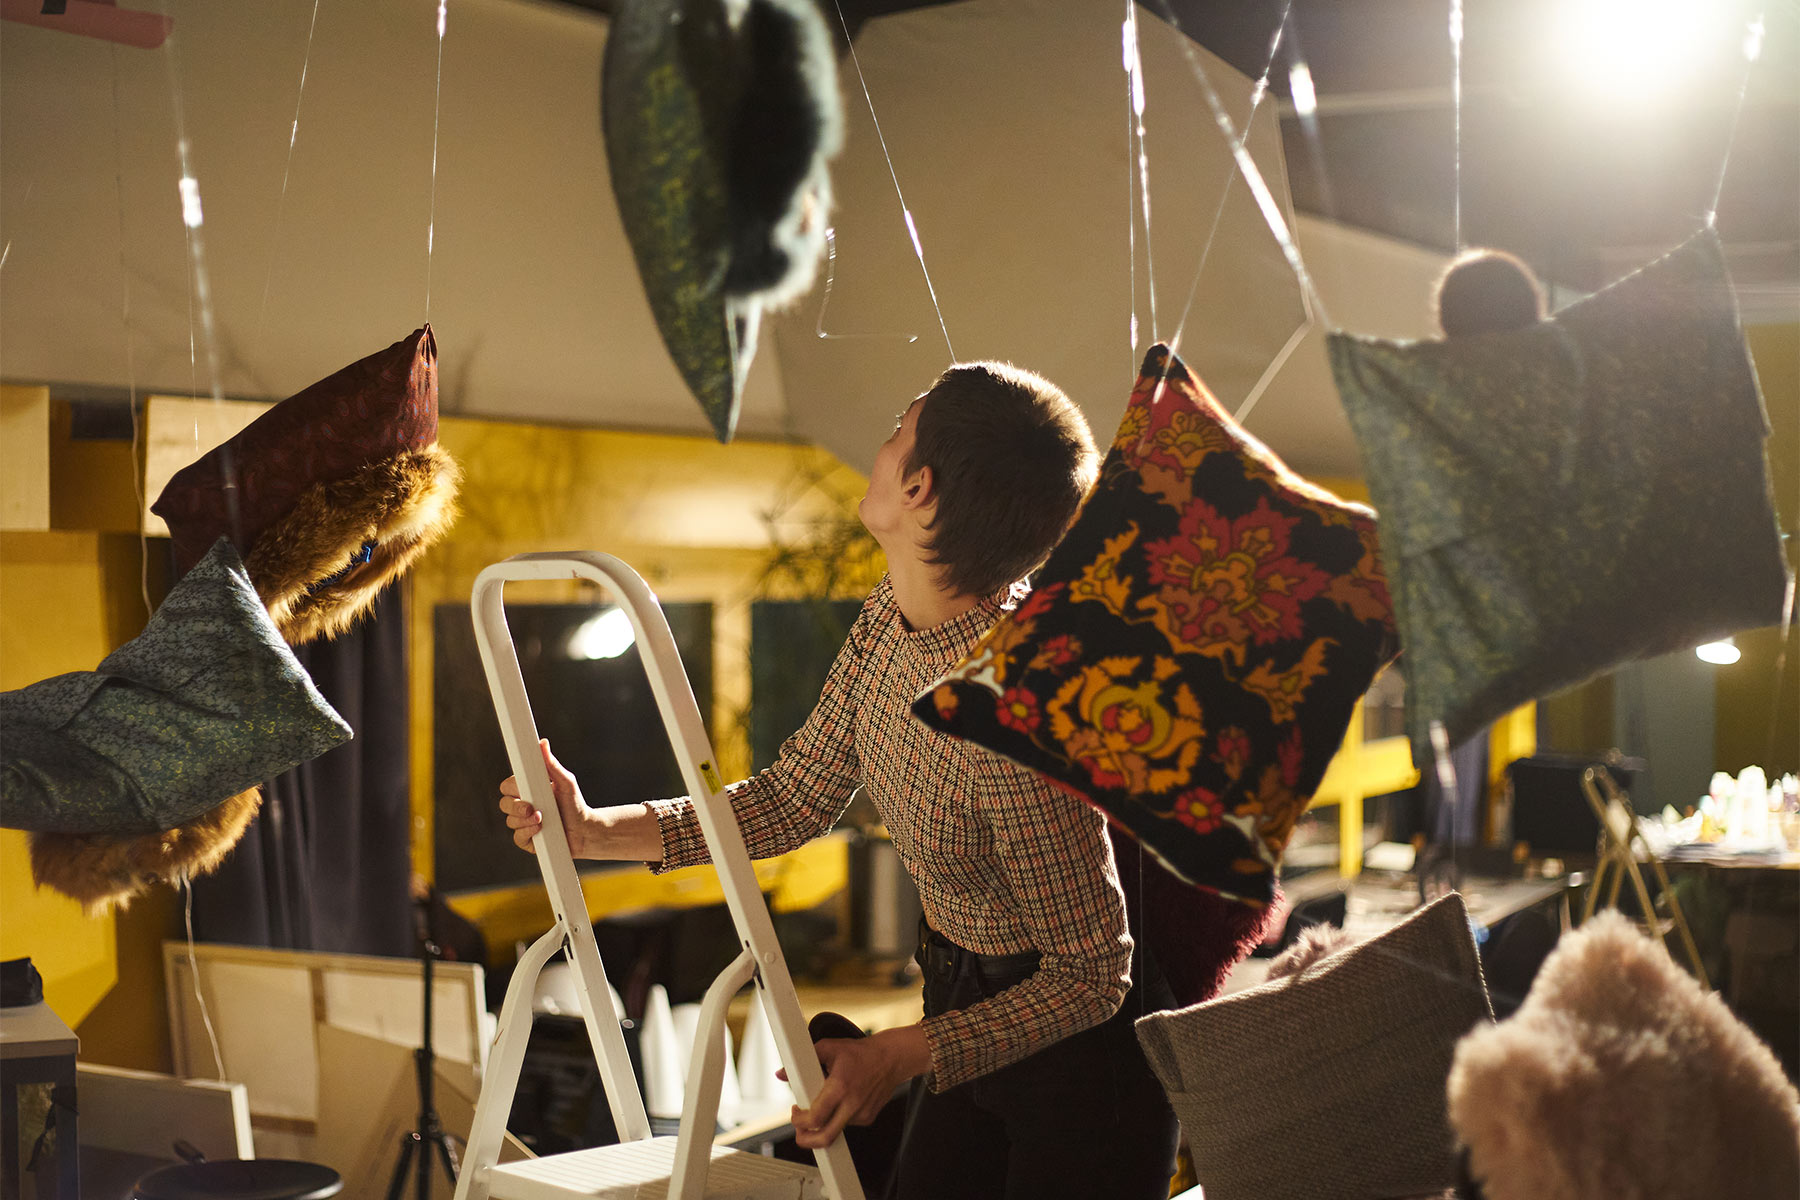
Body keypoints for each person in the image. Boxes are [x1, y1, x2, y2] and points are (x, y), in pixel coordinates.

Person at [498, 361, 1181, 1199]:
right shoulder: (887, 623)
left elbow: (1091, 976)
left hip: (1081, 1073)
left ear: (920, 488)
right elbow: (792, 798)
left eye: (897, 430)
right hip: (959, 1007)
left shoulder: (1017, 718)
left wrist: (897, 1052)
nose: (881, 445)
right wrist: (595, 832)